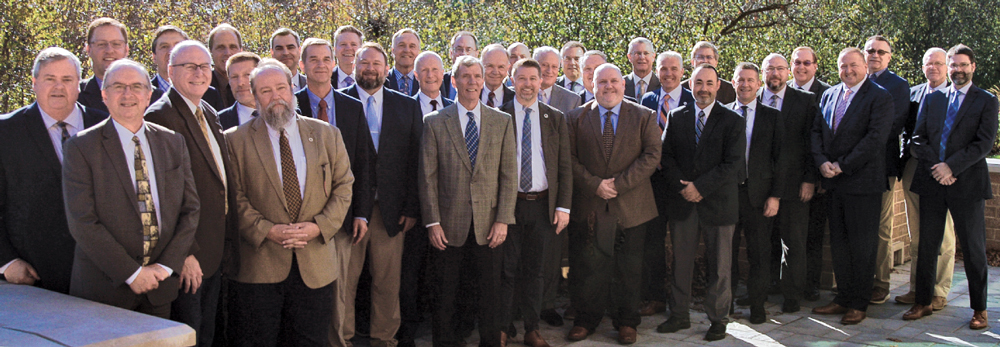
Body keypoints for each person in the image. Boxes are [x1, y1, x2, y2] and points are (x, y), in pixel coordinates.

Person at [225, 58, 355, 346]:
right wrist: (267, 230)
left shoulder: (326, 134)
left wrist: (318, 227)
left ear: (293, 88)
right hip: (260, 265)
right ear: (255, 96)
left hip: (315, 263)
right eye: (266, 91)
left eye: (281, 88)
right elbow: (234, 197)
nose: (276, 97)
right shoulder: (234, 141)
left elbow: (344, 186)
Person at [63, 59, 199, 318]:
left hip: (160, 286)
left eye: (136, 86)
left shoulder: (173, 143)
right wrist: (132, 273)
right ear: (104, 95)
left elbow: (190, 210)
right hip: (104, 289)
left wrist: (166, 267)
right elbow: (82, 222)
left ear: (149, 95)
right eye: (118, 87)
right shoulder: (81, 147)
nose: (128, 94)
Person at [419, 55, 517, 347]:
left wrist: (503, 219)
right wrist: (433, 222)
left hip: (490, 227)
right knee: (446, 297)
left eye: (477, 76)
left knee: (490, 297)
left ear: (483, 79)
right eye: (465, 76)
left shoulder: (501, 121)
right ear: (454, 81)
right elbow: (427, 177)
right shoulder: (435, 122)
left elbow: (508, 175)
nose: (472, 82)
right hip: (448, 226)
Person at [141, 40, 234, 346]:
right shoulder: (160, 117)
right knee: (189, 334)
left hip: (216, 247)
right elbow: (162, 197)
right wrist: (186, 252)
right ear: (170, 71)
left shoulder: (206, 109)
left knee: (209, 332)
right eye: (189, 66)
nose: (199, 73)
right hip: (189, 255)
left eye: (204, 66)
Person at [903, 44, 998, 330]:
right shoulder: (933, 99)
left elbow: (984, 143)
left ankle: (979, 310)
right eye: (953, 65)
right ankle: (923, 301)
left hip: (966, 184)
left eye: (963, 65)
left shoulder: (986, 101)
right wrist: (938, 167)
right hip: (932, 181)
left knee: (973, 248)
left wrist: (951, 167)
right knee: (927, 245)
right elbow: (917, 138)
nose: (958, 70)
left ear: (973, 67)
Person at [565, 63, 660, 345]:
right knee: (587, 265)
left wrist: (617, 185)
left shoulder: (644, 115)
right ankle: (586, 319)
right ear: (592, 86)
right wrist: (595, 184)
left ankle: (627, 322)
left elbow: (652, 155)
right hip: (590, 204)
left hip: (631, 205)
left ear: (623, 84)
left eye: (613, 81)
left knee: (629, 267)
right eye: (601, 82)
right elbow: (568, 159)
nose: (608, 87)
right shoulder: (575, 117)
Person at [0, 47, 108, 294]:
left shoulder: (105, 126)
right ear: (35, 82)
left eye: (67, 80)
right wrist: (6, 262)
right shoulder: (6, 132)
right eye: (50, 79)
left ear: (78, 85)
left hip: (104, 274)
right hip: (33, 278)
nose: (59, 87)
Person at [338, 42, 423, 347]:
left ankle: (384, 340)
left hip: (390, 210)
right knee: (344, 283)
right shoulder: (338, 102)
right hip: (347, 212)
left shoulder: (406, 105)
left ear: (386, 69)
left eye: (376, 64)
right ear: (352, 66)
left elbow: (416, 160)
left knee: (387, 283)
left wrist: (412, 207)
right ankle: (342, 340)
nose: (370, 69)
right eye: (363, 63)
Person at [292, 37, 374, 347]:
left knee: (341, 293)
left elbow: (364, 165)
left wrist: (362, 213)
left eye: (326, 59)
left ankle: (340, 343)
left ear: (335, 63)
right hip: (301, 218)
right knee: (308, 293)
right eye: (313, 59)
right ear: (302, 66)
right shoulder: (291, 103)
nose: (321, 65)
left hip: (343, 218)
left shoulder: (352, 107)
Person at [657, 64, 743, 341]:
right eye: (698, 83)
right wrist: (684, 188)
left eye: (709, 83)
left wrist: (700, 188)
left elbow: (733, 164)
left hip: (718, 202)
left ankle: (718, 319)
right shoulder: (677, 115)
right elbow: (666, 157)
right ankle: (679, 315)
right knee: (681, 263)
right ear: (690, 84)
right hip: (683, 201)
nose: (703, 89)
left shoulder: (732, 120)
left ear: (718, 86)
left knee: (720, 266)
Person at [810, 47, 894, 325]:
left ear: (865, 67)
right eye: (843, 66)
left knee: (862, 246)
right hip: (833, 184)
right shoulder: (829, 94)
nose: (848, 70)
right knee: (840, 244)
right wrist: (822, 162)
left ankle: (859, 302)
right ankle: (842, 297)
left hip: (862, 183)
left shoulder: (879, 97)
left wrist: (842, 165)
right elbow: (816, 132)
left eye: (853, 65)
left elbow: (874, 139)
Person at [497, 58, 572, 347]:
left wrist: (562, 206)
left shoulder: (554, 118)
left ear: (540, 82)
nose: (527, 85)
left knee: (535, 270)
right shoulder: (499, 115)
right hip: (509, 205)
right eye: (521, 78)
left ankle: (531, 328)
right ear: (512, 81)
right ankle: (502, 327)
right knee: (506, 268)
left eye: (532, 79)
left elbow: (564, 166)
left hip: (542, 205)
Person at [894, 47, 956, 310]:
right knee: (916, 232)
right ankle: (918, 288)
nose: (933, 68)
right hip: (914, 167)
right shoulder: (914, 93)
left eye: (939, 64)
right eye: (928, 64)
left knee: (943, 232)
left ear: (948, 67)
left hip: (942, 170)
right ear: (922, 67)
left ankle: (939, 291)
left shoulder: (955, 96)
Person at [758, 53, 817, 314]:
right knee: (763, 241)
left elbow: (811, 144)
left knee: (794, 242)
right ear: (763, 73)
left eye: (780, 69)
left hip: (795, 185)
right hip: (761, 186)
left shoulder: (806, 101)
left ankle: (793, 295)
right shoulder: (753, 98)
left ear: (788, 73)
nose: (775, 74)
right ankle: (766, 287)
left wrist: (809, 179)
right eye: (770, 69)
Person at [637, 51, 693, 317]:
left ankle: (682, 300)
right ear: (656, 71)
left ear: (683, 72)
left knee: (684, 244)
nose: (668, 73)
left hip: (682, 183)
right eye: (663, 69)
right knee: (653, 242)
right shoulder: (648, 99)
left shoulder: (694, 100)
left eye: (674, 69)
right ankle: (656, 297)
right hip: (653, 183)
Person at [726, 62, 782, 324]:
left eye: (750, 80)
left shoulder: (772, 116)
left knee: (759, 254)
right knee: (727, 254)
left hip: (760, 197)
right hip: (727, 197)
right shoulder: (723, 114)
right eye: (740, 80)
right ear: (733, 82)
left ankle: (757, 306)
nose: (745, 84)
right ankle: (725, 305)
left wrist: (775, 196)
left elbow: (781, 159)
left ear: (758, 84)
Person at [865, 35, 910, 305]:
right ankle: (857, 280)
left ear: (889, 56)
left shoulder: (898, 85)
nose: (875, 55)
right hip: (854, 169)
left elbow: (892, 127)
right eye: (871, 50)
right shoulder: (853, 80)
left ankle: (880, 284)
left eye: (882, 52)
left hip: (883, 166)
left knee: (881, 228)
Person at [790, 46, 831, 300]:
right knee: (785, 234)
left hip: (815, 178)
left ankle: (810, 284)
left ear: (815, 66)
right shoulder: (780, 91)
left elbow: (825, 138)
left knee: (813, 234)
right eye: (797, 62)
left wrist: (815, 177)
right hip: (785, 178)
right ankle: (784, 282)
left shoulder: (827, 93)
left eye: (807, 63)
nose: (802, 67)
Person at [78, 18, 162, 111]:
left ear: (126, 49)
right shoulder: (76, 95)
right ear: (88, 49)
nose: (109, 50)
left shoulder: (156, 98)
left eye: (116, 44)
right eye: (101, 44)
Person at [148, 26, 224, 111]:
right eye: (164, 46)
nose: (171, 51)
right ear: (154, 57)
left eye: (178, 46)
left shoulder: (210, 94)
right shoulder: (143, 93)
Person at [218, 52, 261, 129]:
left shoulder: (281, 114)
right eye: (234, 77)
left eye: (247, 75)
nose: (240, 83)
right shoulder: (218, 122)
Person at [534, 46, 582, 114]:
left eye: (554, 67)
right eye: (544, 65)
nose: (549, 71)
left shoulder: (572, 100)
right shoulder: (518, 93)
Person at [207, 23, 244, 108]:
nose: (227, 53)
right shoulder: (202, 87)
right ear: (210, 52)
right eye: (221, 47)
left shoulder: (253, 85)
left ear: (241, 51)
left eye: (233, 47)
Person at [441, 31, 479, 99]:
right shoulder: (440, 82)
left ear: (476, 54)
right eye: (459, 49)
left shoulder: (482, 83)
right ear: (451, 53)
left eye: (468, 50)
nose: (463, 53)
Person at [384, 28, 422, 96]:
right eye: (401, 45)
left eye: (412, 46)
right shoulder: (382, 81)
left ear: (418, 51)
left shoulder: (425, 81)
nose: (407, 50)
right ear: (393, 51)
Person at [332, 25, 364, 90]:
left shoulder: (373, 79)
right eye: (343, 44)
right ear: (335, 50)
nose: (348, 48)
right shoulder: (324, 80)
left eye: (353, 44)